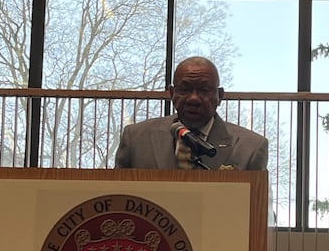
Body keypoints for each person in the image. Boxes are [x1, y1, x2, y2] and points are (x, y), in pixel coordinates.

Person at [114, 56, 269, 172]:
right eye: (185, 89)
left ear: (220, 96)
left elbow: (260, 209)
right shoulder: (136, 139)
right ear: (172, 93)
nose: (193, 98)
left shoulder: (251, 148)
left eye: (204, 90)